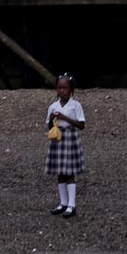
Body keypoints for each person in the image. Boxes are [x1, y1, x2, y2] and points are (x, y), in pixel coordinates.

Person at [45, 74, 86, 218]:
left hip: (70, 137)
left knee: (69, 173)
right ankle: (63, 203)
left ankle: (72, 205)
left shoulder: (76, 105)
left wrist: (66, 118)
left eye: (65, 88)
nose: (61, 91)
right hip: (57, 138)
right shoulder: (53, 106)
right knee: (60, 172)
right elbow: (49, 127)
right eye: (59, 88)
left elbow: (81, 125)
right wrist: (51, 120)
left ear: (71, 90)